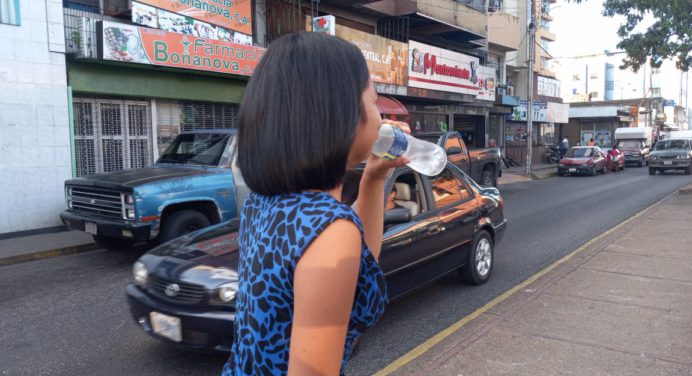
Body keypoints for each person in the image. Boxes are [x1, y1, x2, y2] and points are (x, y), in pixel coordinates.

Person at [222, 32, 409, 376]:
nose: (380, 114)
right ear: (340, 116)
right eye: (374, 98)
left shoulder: (264, 203)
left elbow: (354, 262)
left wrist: (373, 179)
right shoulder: (331, 231)